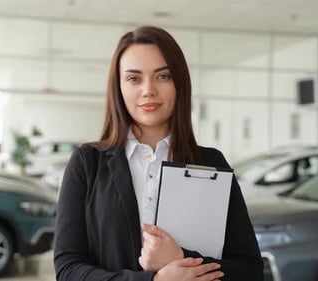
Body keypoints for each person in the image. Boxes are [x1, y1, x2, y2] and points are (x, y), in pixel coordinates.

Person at [54, 25, 263, 281]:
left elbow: (250, 270)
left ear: (179, 83)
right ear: (118, 87)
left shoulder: (210, 163)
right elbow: (68, 270)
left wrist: (180, 258)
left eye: (163, 76)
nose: (148, 89)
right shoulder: (88, 162)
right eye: (134, 78)